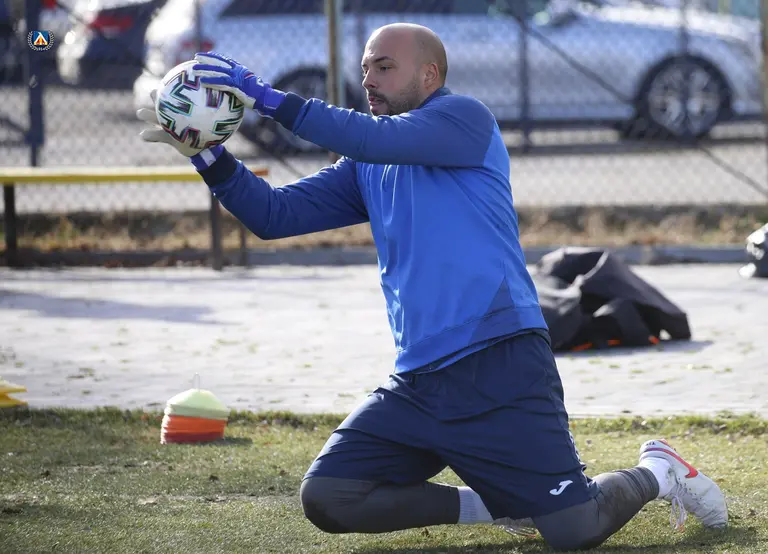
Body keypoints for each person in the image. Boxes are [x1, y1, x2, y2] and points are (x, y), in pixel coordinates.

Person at [137, 22, 728, 551]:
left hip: (500, 362)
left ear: (429, 74)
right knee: (330, 496)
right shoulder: (369, 161)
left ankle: (658, 471)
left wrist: (269, 99)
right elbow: (274, 216)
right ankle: (501, 507)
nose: (369, 79)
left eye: (384, 66)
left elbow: (371, 138)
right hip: (418, 381)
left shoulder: (465, 119)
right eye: (366, 68)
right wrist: (208, 155)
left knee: (575, 529)